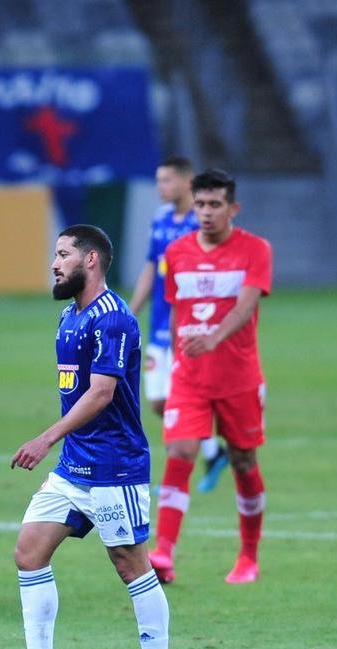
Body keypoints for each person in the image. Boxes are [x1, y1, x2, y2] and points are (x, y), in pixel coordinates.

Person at [0, 224, 171, 649]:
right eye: (55, 254)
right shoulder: (69, 317)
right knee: (29, 552)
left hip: (114, 468)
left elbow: (102, 393)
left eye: (64, 254)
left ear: (91, 260)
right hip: (74, 468)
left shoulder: (113, 318)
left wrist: (46, 437)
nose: (54, 263)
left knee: (130, 564)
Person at [148, 169, 272, 585]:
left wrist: (213, 338)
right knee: (180, 453)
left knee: (243, 460)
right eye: (200, 204)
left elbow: (246, 306)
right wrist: (166, 355)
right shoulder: (178, 253)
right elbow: (174, 310)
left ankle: (248, 557)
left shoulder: (255, 250)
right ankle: (163, 553)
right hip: (189, 378)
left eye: (215, 204)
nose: (205, 212)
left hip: (239, 378)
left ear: (232, 208)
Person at [129, 156, 229, 494]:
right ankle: (214, 450)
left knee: (183, 401)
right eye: (158, 181)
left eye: (166, 181)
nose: (161, 188)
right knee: (159, 401)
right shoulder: (160, 219)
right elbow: (150, 266)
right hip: (159, 323)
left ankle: (176, 479)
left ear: (187, 183)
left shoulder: (201, 226)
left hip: (189, 329)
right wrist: (131, 311)